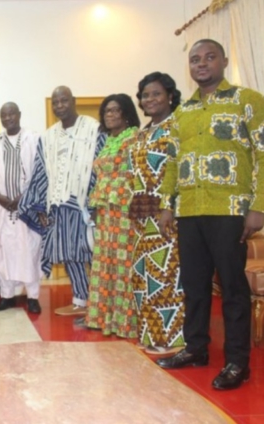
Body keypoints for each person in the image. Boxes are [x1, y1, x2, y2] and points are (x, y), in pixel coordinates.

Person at [156, 39, 264, 390]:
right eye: (195, 59)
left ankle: (237, 362)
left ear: (224, 61)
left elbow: (263, 154)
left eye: (209, 57)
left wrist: (259, 206)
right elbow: (173, 162)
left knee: (232, 288)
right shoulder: (183, 112)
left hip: (229, 210)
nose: (201, 64)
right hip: (189, 211)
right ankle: (196, 348)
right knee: (194, 286)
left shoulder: (248, 101)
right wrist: (167, 205)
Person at [19, 86, 104, 316]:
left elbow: (102, 164)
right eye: (55, 103)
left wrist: (96, 203)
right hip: (58, 206)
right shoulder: (48, 137)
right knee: (69, 253)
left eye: (64, 101)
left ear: (73, 101)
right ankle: (80, 301)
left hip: (86, 206)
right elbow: (41, 171)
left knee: (95, 253)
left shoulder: (94, 129)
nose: (59, 106)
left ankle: (103, 302)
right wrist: (40, 206)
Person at [129, 72, 185, 354]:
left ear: (170, 96)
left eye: (156, 94)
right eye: (145, 95)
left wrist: (169, 207)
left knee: (166, 277)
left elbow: (181, 171)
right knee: (142, 276)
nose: (149, 99)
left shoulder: (179, 126)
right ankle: (150, 334)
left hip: (166, 216)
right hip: (142, 219)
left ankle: (172, 340)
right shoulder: (142, 133)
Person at [79, 93, 140, 337]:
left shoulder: (135, 138)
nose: (110, 115)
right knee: (105, 262)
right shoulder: (108, 141)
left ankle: (125, 322)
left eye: (115, 110)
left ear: (127, 113)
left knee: (123, 263)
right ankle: (104, 317)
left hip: (125, 209)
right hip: (105, 210)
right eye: (107, 111)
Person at [0, 102, 42, 314]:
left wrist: (23, 197)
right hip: (1, 208)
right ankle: (7, 296)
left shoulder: (33, 139)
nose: (8, 118)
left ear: (19, 115)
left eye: (11, 114)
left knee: (29, 251)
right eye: (4, 115)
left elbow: (38, 171)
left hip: (27, 208)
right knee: (3, 252)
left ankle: (33, 297)